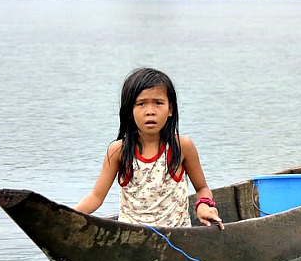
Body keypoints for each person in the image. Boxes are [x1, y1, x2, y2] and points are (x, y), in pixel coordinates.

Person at [75, 67, 224, 230]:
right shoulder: (119, 150)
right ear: (130, 111)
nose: (150, 112)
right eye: (141, 104)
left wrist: (203, 206)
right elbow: (96, 197)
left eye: (159, 103)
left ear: (170, 109)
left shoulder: (182, 147)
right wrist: (66, 217)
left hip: (178, 236)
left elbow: (202, 188)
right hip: (131, 237)